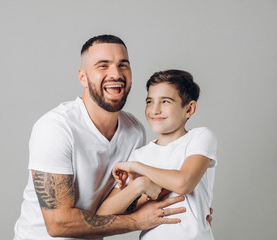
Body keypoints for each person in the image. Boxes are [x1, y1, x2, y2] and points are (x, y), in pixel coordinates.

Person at [13, 35, 188, 240]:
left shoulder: (134, 131)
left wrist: (188, 211)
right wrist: (138, 222)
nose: (115, 74)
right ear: (83, 77)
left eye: (123, 65)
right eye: (102, 66)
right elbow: (59, 224)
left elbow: (117, 207)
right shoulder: (56, 128)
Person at [97, 70, 217, 239]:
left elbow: (184, 183)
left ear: (189, 109)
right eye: (149, 101)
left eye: (165, 101)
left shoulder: (199, 138)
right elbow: (103, 215)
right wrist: (139, 185)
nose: (155, 110)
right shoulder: (140, 155)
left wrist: (137, 168)